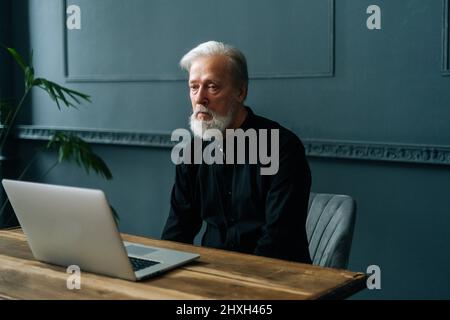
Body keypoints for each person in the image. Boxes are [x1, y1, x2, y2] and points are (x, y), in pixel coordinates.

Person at [161, 41, 312, 263]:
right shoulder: (191, 152)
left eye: (212, 86)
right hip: (212, 277)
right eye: (194, 87)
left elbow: (278, 241)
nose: (199, 98)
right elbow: (178, 228)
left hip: (277, 279)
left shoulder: (283, 148)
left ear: (240, 92)